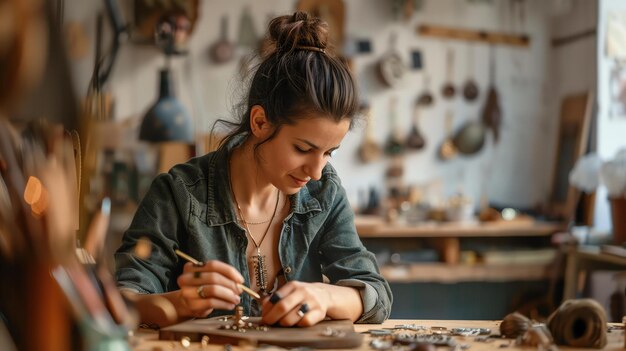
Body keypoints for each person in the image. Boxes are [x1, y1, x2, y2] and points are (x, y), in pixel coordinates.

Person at [115, 11, 392, 328]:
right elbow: (123, 300)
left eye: (329, 152)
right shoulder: (178, 194)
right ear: (260, 122)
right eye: (303, 149)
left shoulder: (323, 192)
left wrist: (326, 297)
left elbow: (376, 293)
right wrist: (178, 303)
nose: (316, 171)